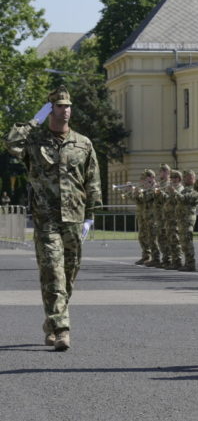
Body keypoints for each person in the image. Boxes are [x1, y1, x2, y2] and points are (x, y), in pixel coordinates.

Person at [5, 86, 102, 351]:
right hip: (45, 218)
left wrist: (90, 217)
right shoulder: (35, 141)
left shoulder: (83, 143)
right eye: (60, 106)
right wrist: (34, 120)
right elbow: (11, 142)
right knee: (52, 271)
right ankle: (62, 329)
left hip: (74, 218)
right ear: (51, 110)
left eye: (68, 105)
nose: (66, 110)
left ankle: (51, 321)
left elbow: (92, 180)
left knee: (68, 274)